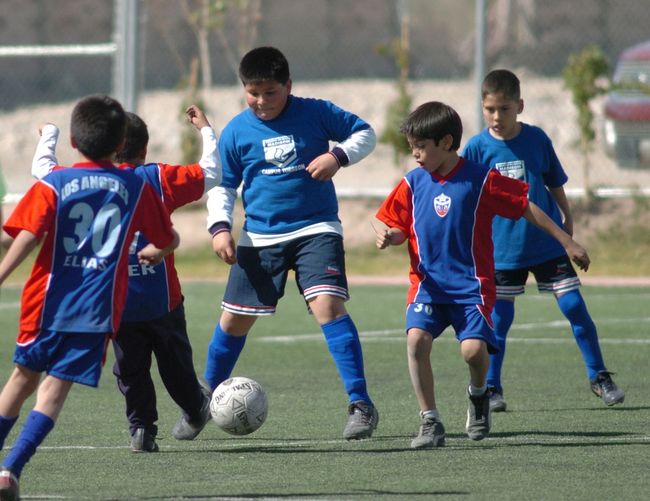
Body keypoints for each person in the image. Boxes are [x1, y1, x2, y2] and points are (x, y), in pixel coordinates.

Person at [374, 101, 591, 449]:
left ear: (446, 142)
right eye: (412, 146)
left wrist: (566, 241)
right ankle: (429, 420)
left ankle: (479, 395)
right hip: (428, 287)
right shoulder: (412, 183)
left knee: (473, 352)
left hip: (471, 288)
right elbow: (398, 226)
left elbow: (526, 207)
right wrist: (391, 236)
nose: (414, 154)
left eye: (421, 146)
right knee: (416, 341)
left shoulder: (480, 179)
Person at [0, 95, 179, 500]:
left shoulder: (54, 183)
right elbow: (168, 238)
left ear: (74, 141)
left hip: (45, 301)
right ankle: (10, 470)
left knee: (22, 379)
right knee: (53, 392)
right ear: (121, 144)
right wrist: (161, 249)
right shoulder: (135, 186)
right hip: (95, 310)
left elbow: (27, 236)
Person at [204, 46, 379, 440]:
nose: (261, 101)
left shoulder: (315, 112)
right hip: (260, 236)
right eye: (253, 93)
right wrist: (219, 228)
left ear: (288, 85)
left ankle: (360, 403)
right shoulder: (236, 131)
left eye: (271, 92)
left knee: (327, 306)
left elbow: (365, 133)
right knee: (233, 320)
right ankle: (202, 400)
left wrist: (338, 156)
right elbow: (223, 185)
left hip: (316, 228)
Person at [31, 105, 221, 452]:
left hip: (114, 300)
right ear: (143, 149)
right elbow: (211, 172)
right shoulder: (157, 178)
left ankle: (142, 428)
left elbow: (42, 169)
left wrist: (49, 135)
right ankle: (195, 408)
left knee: (130, 368)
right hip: (161, 299)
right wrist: (206, 130)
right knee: (175, 364)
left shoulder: (77, 181)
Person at [462, 69, 625, 412]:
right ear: (482, 107)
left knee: (574, 307)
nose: (497, 116)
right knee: (499, 320)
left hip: (546, 243)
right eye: (490, 109)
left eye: (504, 109)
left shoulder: (536, 139)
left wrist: (568, 218)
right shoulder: (476, 148)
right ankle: (492, 387)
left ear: (519, 106)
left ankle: (599, 376)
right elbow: (469, 197)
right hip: (503, 249)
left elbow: (554, 181)